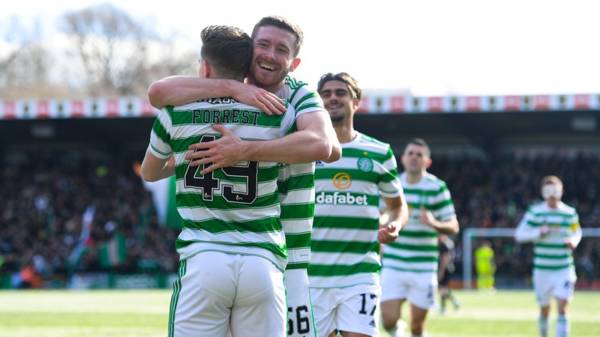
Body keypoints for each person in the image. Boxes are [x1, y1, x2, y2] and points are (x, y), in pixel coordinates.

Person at [146, 16, 340, 337]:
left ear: (295, 63)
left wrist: (243, 150)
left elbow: (326, 146)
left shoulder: (297, 95)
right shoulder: (276, 114)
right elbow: (158, 90)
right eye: (263, 44)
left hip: (286, 253)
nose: (269, 54)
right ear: (249, 50)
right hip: (264, 252)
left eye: (281, 49)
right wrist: (233, 88)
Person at [308, 72, 408, 337]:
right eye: (326, 93)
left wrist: (394, 225)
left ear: (356, 102)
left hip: (360, 272)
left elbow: (398, 205)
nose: (332, 98)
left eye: (340, 92)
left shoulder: (378, 152)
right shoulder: (303, 150)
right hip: (311, 275)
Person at [380, 138, 460, 337]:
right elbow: (381, 212)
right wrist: (383, 220)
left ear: (427, 162)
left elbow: (453, 226)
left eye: (419, 155)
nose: (414, 157)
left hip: (423, 266)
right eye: (410, 154)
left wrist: (434, 223)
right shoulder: (393, 184)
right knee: (388, 320)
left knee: (417, 326)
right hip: (394, 263)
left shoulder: (437, 188)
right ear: (403, 159)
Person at [515, 175, 582, 337]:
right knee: (545, 309)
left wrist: (573, 241)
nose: (552, 194)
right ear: (543, 192)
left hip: (564, 268)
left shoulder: (569, 213)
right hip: (542, 270)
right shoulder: (535, 212)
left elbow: (577, 231)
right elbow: (519, 234)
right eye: (549, 190)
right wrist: (538, 232)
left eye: (555, 190)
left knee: (563, 307)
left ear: (562, 191)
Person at [437, 234, 459, 314]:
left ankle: (444, 308)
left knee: (442, 289)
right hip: (449, 268)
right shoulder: (449, 243)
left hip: (445, 269)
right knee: (443, 289)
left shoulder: (445, 245)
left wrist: (441, 271)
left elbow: (445, 259)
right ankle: (454, 301)